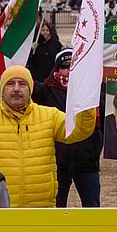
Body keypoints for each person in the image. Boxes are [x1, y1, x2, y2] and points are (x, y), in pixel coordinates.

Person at [0, 65, 97, 208]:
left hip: (42, 209)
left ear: (31, 89)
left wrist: (87, 105)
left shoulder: (50, 116)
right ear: (2, 89)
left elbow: (79, 131)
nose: (16, 88)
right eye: (10, 84)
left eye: (22, 84)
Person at [32, 48, 101, 207]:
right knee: (55, 210)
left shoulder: (92, 91)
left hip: (87, 162)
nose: (69, 70)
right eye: (64, 66)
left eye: (73, 66)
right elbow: (25, 84)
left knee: (92, 211)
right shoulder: (46, 91)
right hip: (58, 164)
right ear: (56, 69)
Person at [27, 18, 63, 87]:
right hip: (38, 77)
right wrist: (31, 49)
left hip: (51, 77)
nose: (45, 32)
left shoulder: (55, 43)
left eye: (47, 30)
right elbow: (29, 60)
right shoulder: (36, 43)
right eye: (43, 30)